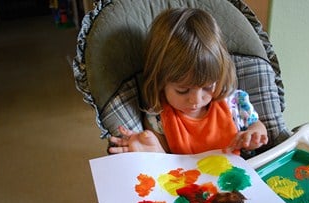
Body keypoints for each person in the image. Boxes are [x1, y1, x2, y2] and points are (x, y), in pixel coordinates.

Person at [108, 7, 268, 155]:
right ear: (160, 82)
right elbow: (163, 164)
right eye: (183, 90)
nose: (196, 100)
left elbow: (257, 126)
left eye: (207, 87)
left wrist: (255, 134)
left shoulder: (234, 103)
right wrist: (152, 150)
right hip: (187, 184)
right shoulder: (158, 120)